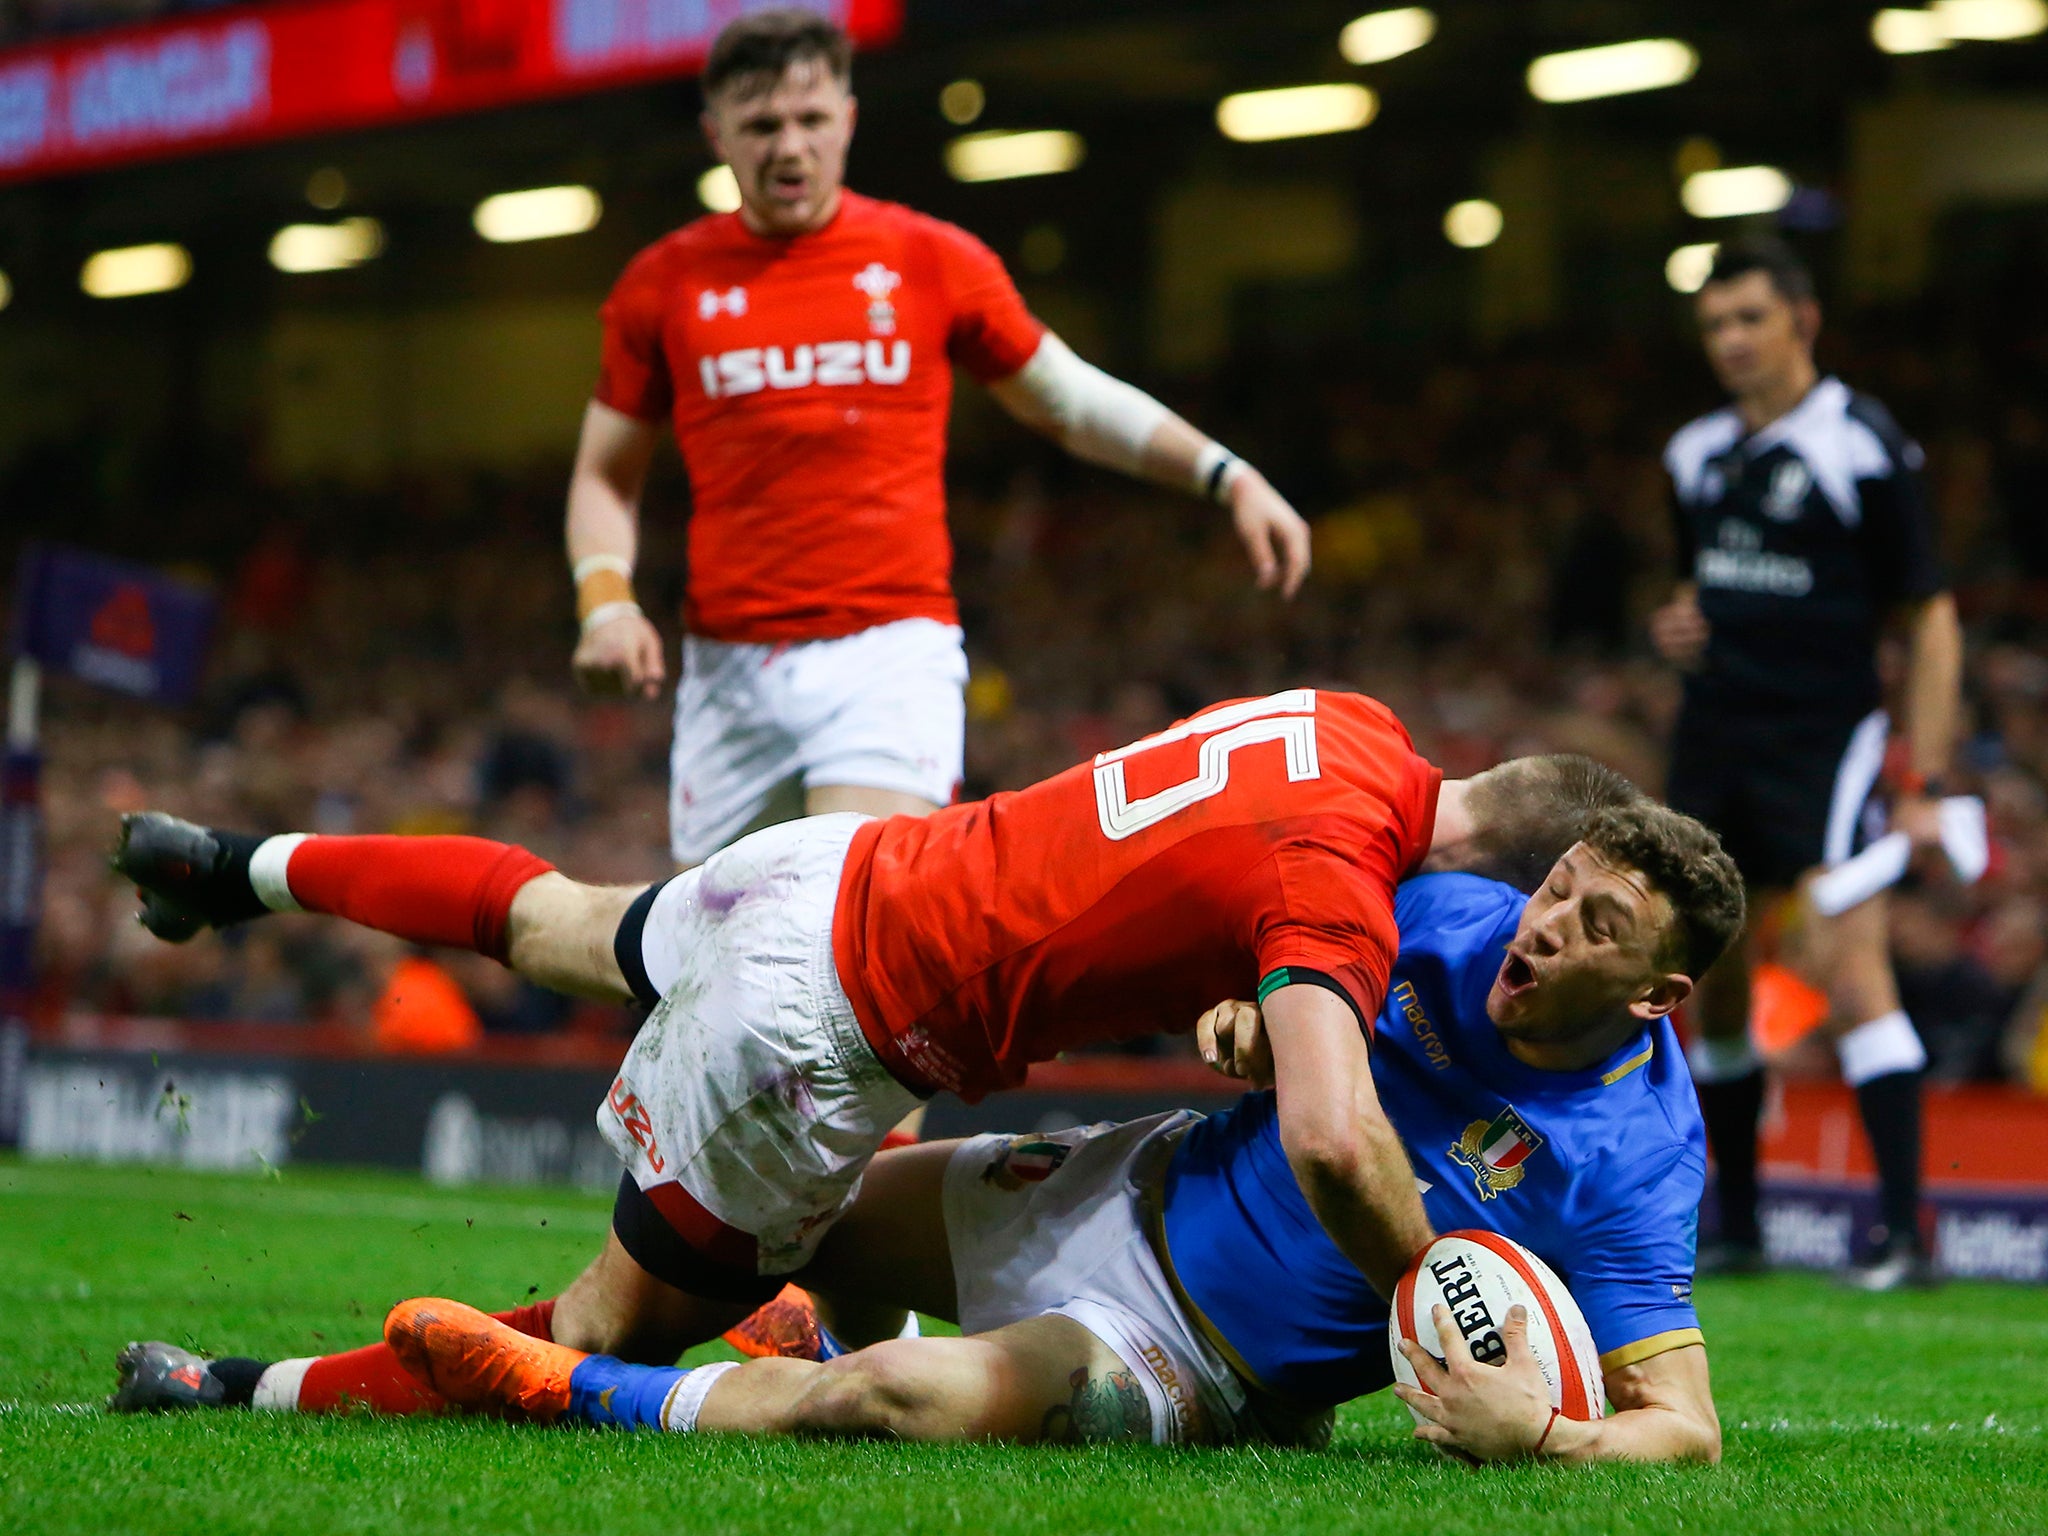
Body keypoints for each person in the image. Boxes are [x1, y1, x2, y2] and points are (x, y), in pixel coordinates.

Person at [114, 805, 1740, 1464]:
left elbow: (1685, 1420)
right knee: (767, 1229)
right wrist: (1248, 1015)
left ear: (1656, 990)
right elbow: (1278, 1006)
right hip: (1121, 1176)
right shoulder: (1443, 912)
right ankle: (683, 1333)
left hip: (1180, 1356)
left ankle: (500, 1387)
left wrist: (1550, 1438)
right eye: (1556, 888)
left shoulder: (1635, 1157)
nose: (1540, 928)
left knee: (892, 1393)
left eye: (1593, 927)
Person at [112, 693, 1667, 1362]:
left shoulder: (1350, 730)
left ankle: (234, 868)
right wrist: (1439, 1297)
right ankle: (250, 1383)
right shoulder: (1345, 894)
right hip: (837, 1017)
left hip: (843, 865)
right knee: (600, 1338)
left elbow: (1196, 870)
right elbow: (1334, 1138)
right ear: (1527, 873)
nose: (1530, 942)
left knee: (555, 920)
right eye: (1557, 906)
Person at [566, 9, 1312, 867]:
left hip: (889, 652)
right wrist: (607, 601)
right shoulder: (662, 286)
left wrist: (1229, 475)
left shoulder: (930, 259)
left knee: (852, 906)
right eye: (762, 125)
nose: (789, 148)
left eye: (811, 121)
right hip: (729, 672)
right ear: (716, 135)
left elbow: (1068, 401)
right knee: (722, 949)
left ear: (847, 120)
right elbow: (604, 476)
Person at [1650, 236, 1963, 1289]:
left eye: (1748, 319)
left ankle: (1903, 1235)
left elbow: (1926, 616)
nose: (1729, 342)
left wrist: (1918, 775)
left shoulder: (1861, 447)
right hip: (1712, 744)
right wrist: (1682, 625)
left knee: (1842, 963)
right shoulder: (1691, 456)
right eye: (1712, 326)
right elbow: (1701, 590)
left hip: (1822, 746)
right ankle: (1736, 1227)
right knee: (1714, 980)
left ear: (1802, 320)